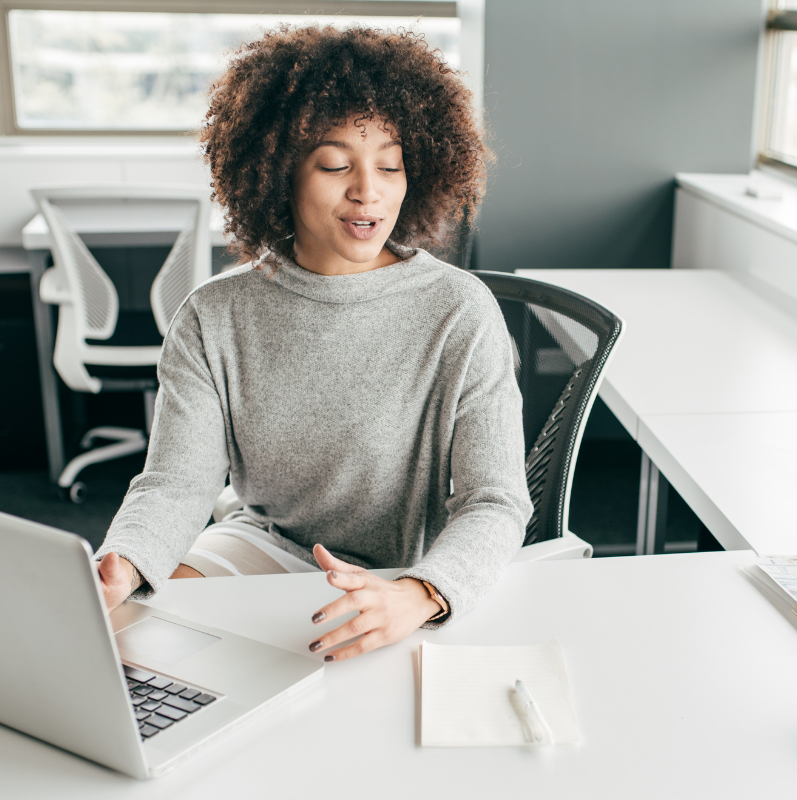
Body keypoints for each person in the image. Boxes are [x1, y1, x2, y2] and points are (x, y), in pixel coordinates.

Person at [95, 24, 533, 663]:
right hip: (264, 543)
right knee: (131, 639)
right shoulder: (214, 316)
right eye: (335, 164)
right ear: (278, 172)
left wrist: (421, 593)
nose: (369, 190)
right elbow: (174, 485)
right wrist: (125, 561)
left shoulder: (459, 312)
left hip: (409, 568)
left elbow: (495, 502)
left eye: (390, 164)